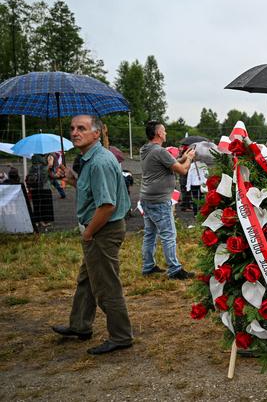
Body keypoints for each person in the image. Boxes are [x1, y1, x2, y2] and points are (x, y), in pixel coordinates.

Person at [52, 115, 133, 355]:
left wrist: (88, 233)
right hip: (100, 229)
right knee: (87, 281)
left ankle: (121, 336)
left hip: (102, 231)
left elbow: (107, 205)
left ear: (96, 134)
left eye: (82, 129)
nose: (75, 133)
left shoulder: (99, 162)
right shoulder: (90, 160)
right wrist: (73, 180)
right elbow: (93, 193)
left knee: (106, 286)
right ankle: (80, 325)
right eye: (72, 128)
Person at [139, 121, 196, 279]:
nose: (166, 133)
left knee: (150, 234)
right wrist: (189, 158)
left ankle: (148, 266)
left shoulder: (146, 149)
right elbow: (183, 170)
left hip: (147, 198)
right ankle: (174, 269)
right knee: (168, 234)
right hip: (159, 201)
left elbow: (168, 163)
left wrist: (181, 157)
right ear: (158, 133)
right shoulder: (159, 151)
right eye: (164, 130)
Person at [25, 154, 54, 229]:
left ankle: (37, 221)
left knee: (36, 205)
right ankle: (44, 221)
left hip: (34, 188)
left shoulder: (32, 167)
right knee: (45, 205)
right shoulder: (43, 167)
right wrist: (49, 165)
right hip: (44, 189)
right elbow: (45, 177)